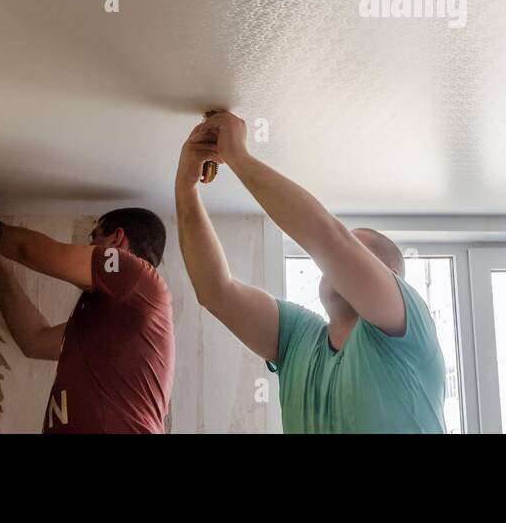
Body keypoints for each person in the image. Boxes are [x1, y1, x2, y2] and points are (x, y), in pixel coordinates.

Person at [175, 111, 445, 433]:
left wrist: (238, 158)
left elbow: (327, 237)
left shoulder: (405, 326)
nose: (336, 262)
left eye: (357, 252)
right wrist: (186, 186)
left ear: (390, 276)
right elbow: (216, 291)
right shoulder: (297, 337)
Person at [0, 206, 174, 433]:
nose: (88, 249)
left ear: (116, 240)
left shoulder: (133, 272)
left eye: (94, 238)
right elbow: (34, 340)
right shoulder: (116, 325)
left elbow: (29, 251)